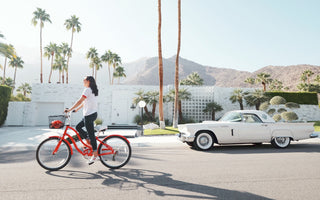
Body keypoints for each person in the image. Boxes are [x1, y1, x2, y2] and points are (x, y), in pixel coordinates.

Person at [64, 76, 99, 165]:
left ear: (88, 81)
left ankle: (95, 154)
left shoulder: (87, 90)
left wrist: (69, 109)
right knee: (78, 127)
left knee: (91, 135)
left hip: (89, 116)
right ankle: (88, 140)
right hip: (91, 114)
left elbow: (80, 101)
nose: (83, 81)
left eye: (84, 80)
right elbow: (84, 102)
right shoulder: (92, 90)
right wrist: (76, 110)